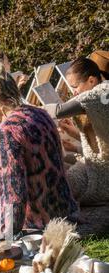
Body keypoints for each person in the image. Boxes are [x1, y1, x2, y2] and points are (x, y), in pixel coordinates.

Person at [0, 63, 79, 235]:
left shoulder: (7, 130)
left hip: (40, 221)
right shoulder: (39, 113)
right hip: (65, 210)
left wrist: (9, 232)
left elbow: (13, 190)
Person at [45, 57, 109, 204]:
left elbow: (59, 110)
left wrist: (24, 110)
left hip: (103, 172)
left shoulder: (104, 92)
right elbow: (100, 144)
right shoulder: (98, 96)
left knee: (62, 190)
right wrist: (74, 137)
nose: (74, 92)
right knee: (60, 187)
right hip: (92, 166)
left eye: (75, 87)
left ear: (92, 80)